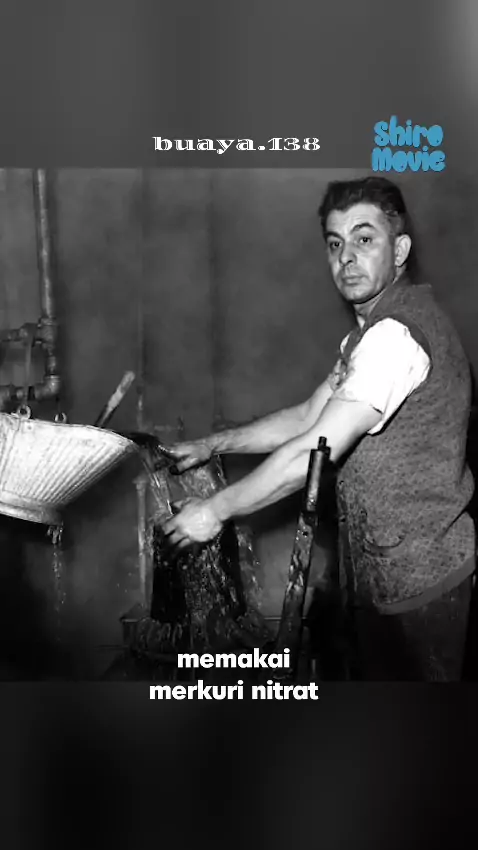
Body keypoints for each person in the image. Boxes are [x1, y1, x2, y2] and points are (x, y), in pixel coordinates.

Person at [160, 176, 476, 681]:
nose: (347, 257)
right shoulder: (367, 337)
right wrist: (212, 445)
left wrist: (214, 511)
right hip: (388, 572)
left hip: (422, 581)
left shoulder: (395, 338)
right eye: (335, 243)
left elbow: (315, 446)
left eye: (364, 238)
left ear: (400, 250)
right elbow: (308, 416)